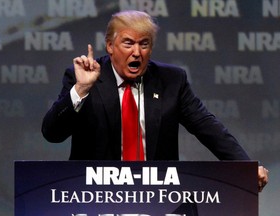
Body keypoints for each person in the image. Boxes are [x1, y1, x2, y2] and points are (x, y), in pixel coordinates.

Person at [41, 10, 268, 192]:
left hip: (156, 195)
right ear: (110, 46)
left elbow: (208, 127)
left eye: (144, 44)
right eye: (128, 43)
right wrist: (81, 89)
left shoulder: (171, 80)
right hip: (95, 195)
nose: (137, 52)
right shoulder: (83, 77)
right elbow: (52, 133)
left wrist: (247, 167)